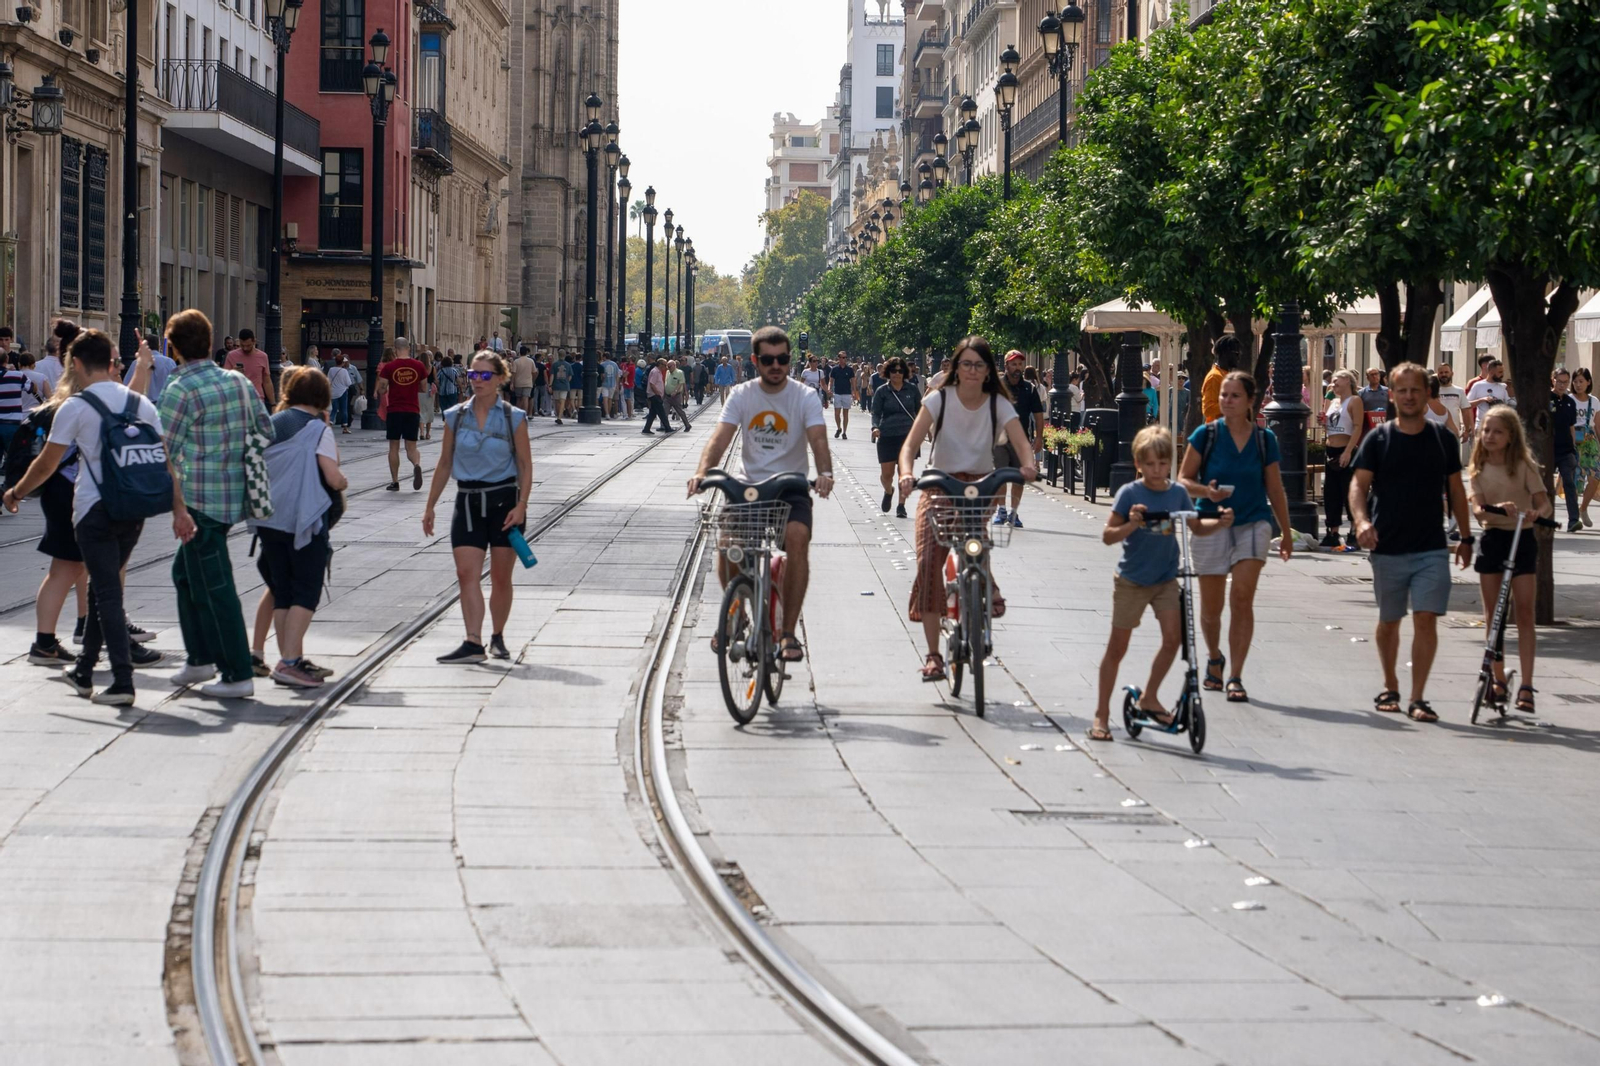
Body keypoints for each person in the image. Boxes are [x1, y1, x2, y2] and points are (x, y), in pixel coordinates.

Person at [3, 330, 168, 705]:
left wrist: (16, 492)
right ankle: (84, 667)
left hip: (93, 509)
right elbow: (164, 457)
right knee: (101, 588)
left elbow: (46, 463)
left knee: (104, 591)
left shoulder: (75, 406)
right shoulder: (141, 404)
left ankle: (122, 681)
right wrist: (176, 507)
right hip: (133, 509)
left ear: (75, 363)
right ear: (112, 363)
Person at [896, 336, 1037, 681]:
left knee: (975, 541)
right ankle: (933, 656)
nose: (972, 371)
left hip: (979, 485)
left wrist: (1028, 466)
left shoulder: (998, 404)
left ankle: (983, 576)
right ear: (956, 367)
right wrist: (907, 473)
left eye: (979, 365)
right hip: (938, 483)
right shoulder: (938, 399)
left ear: (989, 370)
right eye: (966, 364)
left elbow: (1021, 443)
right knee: (930, 560)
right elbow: (910, 445)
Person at [688, 326, 832, 662]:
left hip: (791, 487)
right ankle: (736, 612)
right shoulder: (742, 394)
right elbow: (719, 439)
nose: (776, 365)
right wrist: (702, 471)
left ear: (790, 359)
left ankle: (788, 633)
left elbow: (818, 439)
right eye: (768, 359)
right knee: (728, 546)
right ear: (755, 360)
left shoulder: (804, 396)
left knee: (797, 538)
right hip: (748, 487)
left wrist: (824, 473)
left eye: (782, 358)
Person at [157, 308, 274, 699]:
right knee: (184, 575)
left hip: (198, 502)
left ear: (173, 348)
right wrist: (238, 459)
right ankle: (199, 659)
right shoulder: (238, 381)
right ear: (209, 343)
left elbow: (165, 454)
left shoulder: (179, 389)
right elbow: (265, 430)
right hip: (231, 496)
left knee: (216, 585)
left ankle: (236, 671)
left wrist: (177, 508)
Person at [1347, 363, 1474, 722]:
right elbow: (1358, 485)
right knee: (1389, 620)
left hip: (1430, 546)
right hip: (1386, 545)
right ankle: (1390, 685)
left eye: (1415, 390)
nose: (1408, 396)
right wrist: (1361, 521)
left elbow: (1456, 490)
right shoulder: (1380, 438)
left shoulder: (1441, 439)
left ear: (1426, 393)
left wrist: (1465, 537)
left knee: (1426, 619)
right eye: (1401, 390)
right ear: (1391, 395)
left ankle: (1418, 697)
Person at [1092, 426, 1231, 742]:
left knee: (1174, 640)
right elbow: (1107, 536)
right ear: (1139, 464)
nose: (1157, 470)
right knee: (1118, 648)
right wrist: (1132, 523)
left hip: (1167, 579)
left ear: (1170, 462)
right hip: (1132, 580)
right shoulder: (1130, 493)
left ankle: (1150, 697)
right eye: (1150, 464)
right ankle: (1102, 713)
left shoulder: (1178, 493)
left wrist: (1219, 522)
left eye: (1162, 463)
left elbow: (1196, 527)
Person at [1178, 371, 1294, 704]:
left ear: (1250, 401)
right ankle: (1215, 657)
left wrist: (1285, 532)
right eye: (1224, 395)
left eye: (1234, 396)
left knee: (1242, 596)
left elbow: (1274, 487)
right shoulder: (1206, 434)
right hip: (1210, 521)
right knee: (1212, 609)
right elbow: (1184, 479)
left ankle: (1236, 676)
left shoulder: (1264, 439)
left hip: (1253, 522)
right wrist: (1206, 492)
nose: (1226, 401)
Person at [423, 352, 533, 664]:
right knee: (465, 573)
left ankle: (497, 635)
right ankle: (473, 642)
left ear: (500, 378)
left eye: (485, 376)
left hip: (504, 504)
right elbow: (444, 463)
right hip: (468, 502)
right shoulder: (455, 416)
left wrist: (522, 505)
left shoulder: (514, 417)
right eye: (473, 375)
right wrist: (429, 506)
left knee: (500, 577)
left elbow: (525, 465)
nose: (478, 381)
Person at [245, 368, 347, 687]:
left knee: (283, 591)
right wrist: (343, 481)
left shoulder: (271, 423)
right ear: (322, 397)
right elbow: (332, 475)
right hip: (303, 521)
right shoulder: (317, 429)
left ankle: (289, 658)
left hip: (268, 520)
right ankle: (289, 662)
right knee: (306, 590)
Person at [4, 327, 89, 666]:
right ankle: (44, 642)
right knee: (65, 568)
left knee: (76, 565)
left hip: (67, 491)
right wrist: (15, 491)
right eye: (112, 362)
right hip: (66, 491)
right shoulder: (75, 403)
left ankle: (82, 627)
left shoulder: (69, 396)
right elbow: (48, 460)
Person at [1466, 404, 1552, 714]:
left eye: (1497, 431)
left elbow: (1545, 505)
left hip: (1521, 538)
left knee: (1524, 611)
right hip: (1494, 539)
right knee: (1494, 613)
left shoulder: (1523, 465)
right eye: (1486, 430)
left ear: (1511, 436)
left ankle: (1526, 684)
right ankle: (1498, 678)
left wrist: (1534, 512)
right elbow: (1477, 508)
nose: (1489, 436)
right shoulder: (1477, 466)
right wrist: (1494, 508)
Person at [995, 352, 1045, 529]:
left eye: (1020, 364)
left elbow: (1038, 415)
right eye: (1013, 364)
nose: (1017, 368)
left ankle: (1013, 513)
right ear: (1007, 366)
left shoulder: (1029, 389)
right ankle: (1001, 511)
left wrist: (1039, 437)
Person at [870, 357, 921, 518]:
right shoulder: (882, 391)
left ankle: (901, 506)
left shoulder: (912, 390)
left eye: (900, 371)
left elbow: (921, 411)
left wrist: (926, 430)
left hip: (908, 436)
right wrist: (875, 427)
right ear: (888, 373)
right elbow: (876, 412)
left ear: (904, 373)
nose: (897, 374)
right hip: (887, 436)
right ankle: (888, 490)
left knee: (904, 474)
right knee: (887, 475)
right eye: (893, 371)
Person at [1321, 369, 1366, 548]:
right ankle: (1333, 531)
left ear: (1348, 380)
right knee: (1331, 493)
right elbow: (1332, 426)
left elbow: (1357, 427)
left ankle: (1354, 531)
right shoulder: (1333, 401)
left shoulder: (1354, 400)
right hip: (1331, 450)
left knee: (1349, 492)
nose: (1333, 384)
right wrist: (1323, 422)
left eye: (1336, 380)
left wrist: (1348, 451)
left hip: (1346, 450)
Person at [377, 338, 427, 491]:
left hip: (395, 410)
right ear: (409, 347)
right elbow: (423, 388)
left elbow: (382, 389)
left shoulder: (389, 367)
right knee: (411, 447)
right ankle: (417, 465)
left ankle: (395, 481)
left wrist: (387, 388)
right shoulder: (419, 366)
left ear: (395, 349)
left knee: (394, 447)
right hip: (412, 410)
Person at [1550, 367, 1581, 532]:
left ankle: (1573, 520)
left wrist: (1574, 448)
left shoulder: (1570, 402)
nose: (1562, 385)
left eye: (1565, 382)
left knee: (1569, 484)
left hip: (1566, 451)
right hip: (1548, 451)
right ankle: (1546, 519)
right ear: (1553, 380)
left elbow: (1571, 427)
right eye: (1559, 381)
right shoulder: (1545, 398)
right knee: (1546, 485)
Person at [223, 329, 276, 406]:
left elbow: (266, 381)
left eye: (248, 345)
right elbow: (224, 379)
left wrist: (273, 403)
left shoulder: (263, 356)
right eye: (242, 345)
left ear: (254, 341)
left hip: (257, 399)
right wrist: (232, 372)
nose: (245, 348)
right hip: (237, 400)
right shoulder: (231, 355)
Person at [1573, 367, 1597, 527]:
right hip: (1574, 441)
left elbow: (1599, 425)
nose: (1578, 384)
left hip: (1591, 443)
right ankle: (1574, 515)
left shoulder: (1594, 401)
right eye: (1575, 381)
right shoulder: (1569, 399)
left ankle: (1583, 508)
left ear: (1588, 382)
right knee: (1575, 480)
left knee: (1596, 477)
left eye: (1581, 381)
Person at [1201, 336, 1240, 423]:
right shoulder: (1214, 377)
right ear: (1225, 353)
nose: (1238, 358)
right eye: (1236, 353)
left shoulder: (1225, 375)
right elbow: (1208, 409)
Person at [829, 351, 856, 438]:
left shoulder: (850, 369)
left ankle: (844, 432)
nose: (844, 359)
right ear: (839, 358)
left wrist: (854, 391)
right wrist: (830, 389)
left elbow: (852, 381)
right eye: (842, 357)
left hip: (847, 393)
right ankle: (839, 428)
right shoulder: (835, 369)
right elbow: (831, 380)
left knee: (845, 413)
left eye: (845, 357)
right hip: (837, 393)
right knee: (837, 413)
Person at [664, 358, 693, 430]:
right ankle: (665, 426)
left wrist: (676, 391)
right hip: (667, 396)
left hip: (676, 396)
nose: (668, 368)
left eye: (670, 366)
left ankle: (687, 425)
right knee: (665, 412)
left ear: (674, 365)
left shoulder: (679, 372)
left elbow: (681, 383)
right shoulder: (667, 372)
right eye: (667, 366)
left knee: (680, 411)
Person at [511, 346, 537, 415]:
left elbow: (513, 373)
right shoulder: (531, 361)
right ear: (526, 352)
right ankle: (525, 413)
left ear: (520, 352)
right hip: (528, 383)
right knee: (526, 398)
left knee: (518, 399)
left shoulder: (516, 361)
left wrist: (512, 383)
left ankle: (517, 414)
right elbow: (535, 372)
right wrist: (532, 380)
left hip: (518, 383)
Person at [417, 351, 436, 441]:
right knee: (429, 411)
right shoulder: (432, 368)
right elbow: (435, 380)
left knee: (420, 411)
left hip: (419, 390)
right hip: (429, 391)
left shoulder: (418, 368)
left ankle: (421, 432)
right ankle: (428, 433)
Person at [551, 351, 572, 424]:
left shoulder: (554, 364)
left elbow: (552, 375)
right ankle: (560, 416)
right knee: (562, 401)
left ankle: (558, 415)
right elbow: (570, 376)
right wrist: (567, 381)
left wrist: (550, 384)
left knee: (557, 401)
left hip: (556, 385)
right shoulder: (568, 365)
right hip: (565, 385)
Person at [602, 351, 621, 417]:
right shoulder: (615, 364)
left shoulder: (602, 364)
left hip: (604, 384)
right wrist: (617, 385)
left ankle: (606, 413)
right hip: (613, 383)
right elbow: (617, 375)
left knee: (605, 399)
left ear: (604, 357)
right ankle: (608, 413)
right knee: (610, 399)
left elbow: (602, 375)